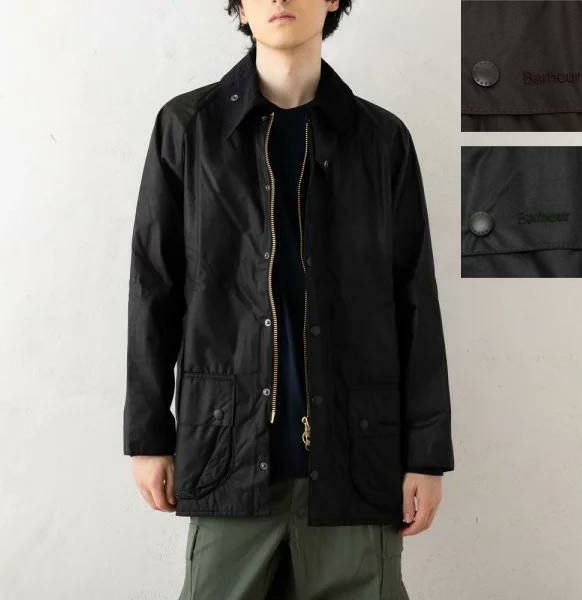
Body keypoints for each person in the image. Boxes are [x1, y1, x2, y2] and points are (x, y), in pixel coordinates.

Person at [123, 1, 455, 598]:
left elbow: (415, 301)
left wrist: (426, 455)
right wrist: (148, 436)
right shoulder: (189, 129)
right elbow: (155, 289)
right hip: (228, 456)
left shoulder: (381, 140)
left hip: (355, 461)